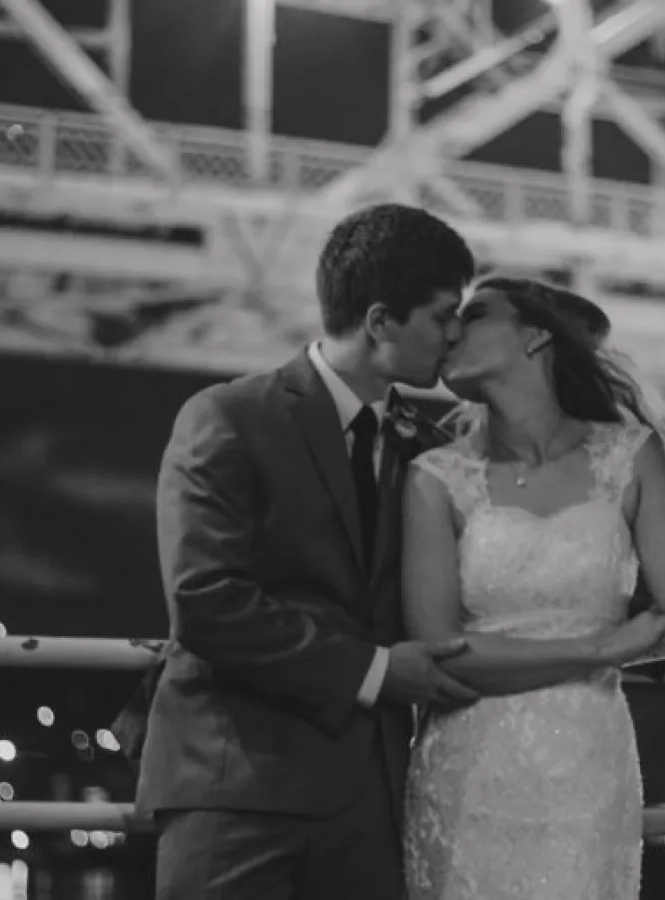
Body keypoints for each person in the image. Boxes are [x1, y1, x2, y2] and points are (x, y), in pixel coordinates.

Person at [401, 276, 665, 900]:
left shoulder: (630, 457)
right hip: (465, 771)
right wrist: (599, 650)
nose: (451, 329)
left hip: (583, 768)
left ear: (535, 336)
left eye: (474, 314)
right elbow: (440, 649)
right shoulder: (434, 479)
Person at [135, 203, 480, 900]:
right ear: (382, 321)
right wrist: (377, 671)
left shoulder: (431, 452)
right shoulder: (230, 417)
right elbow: (204, 602)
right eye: (444, 316)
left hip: (377, 807)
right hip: (240, 792)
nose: (455, 336)